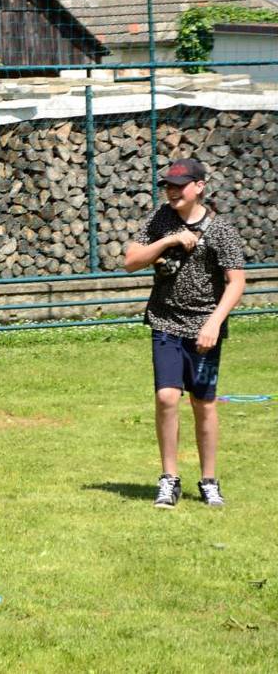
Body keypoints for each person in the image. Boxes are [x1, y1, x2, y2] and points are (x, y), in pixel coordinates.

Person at [124, 158, 246, 509]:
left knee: (203, 404)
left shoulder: (220, 229)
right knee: (166, 397)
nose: (173, 190)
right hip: (165, 322)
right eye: (168, 185)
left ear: (200, 186)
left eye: (180, 184)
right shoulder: (160, 219)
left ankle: (208, 480)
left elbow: (236, 283)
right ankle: (169, 479)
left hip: (204, 328)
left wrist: (213, 323)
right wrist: (168, 241)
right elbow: (131, 260)